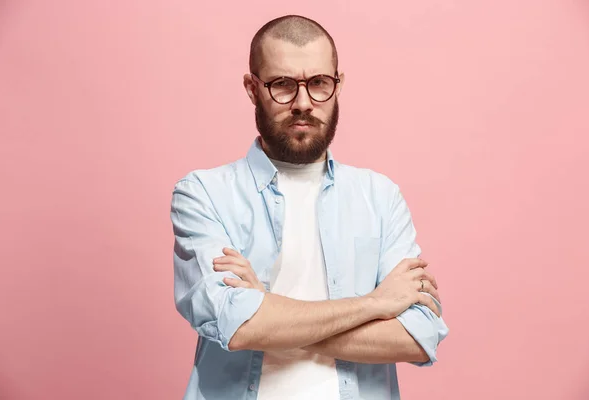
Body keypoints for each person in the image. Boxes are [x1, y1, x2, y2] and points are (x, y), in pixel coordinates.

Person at [170, 14, 449, 400]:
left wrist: (269, 315)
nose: (303, 103)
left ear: (338, 84)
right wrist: (376, 304)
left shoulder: (380, 197)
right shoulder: (204, 193)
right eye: (282, 84)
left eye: (319, 83)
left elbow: (419, 336)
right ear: (252, 88)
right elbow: (236, 326)